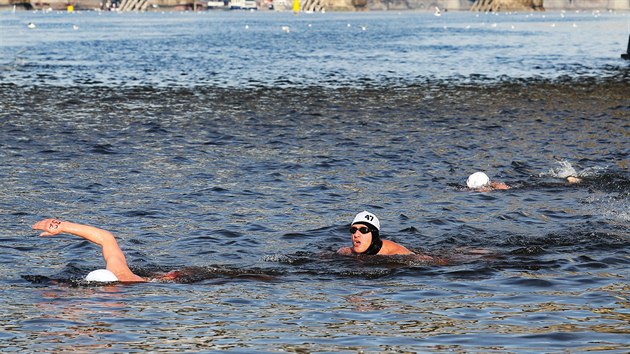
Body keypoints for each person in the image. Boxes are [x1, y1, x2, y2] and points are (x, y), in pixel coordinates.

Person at [32, 218, 150, 282]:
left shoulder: (122, 275)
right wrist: (63, 226)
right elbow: (107, 239)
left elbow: (107, 239)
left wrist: (63, 226)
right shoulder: (125, 277)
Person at [337, 211, 433, 259]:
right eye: (353, 230)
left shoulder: (397, 253)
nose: (356, 235)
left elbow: (431, 262)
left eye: (363, 230)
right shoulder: (345, 252)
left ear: (374, 234)